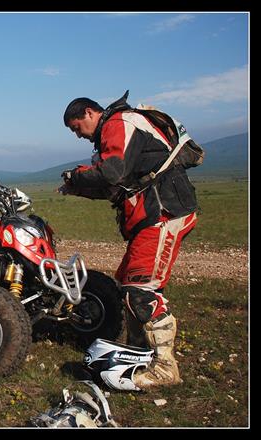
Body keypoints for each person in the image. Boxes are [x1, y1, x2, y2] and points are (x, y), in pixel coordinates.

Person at [59, 91, 199, 389]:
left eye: (76, 128)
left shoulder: (118, 123)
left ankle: (164, 367)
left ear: (88, 113)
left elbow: (112, 172)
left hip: (162, 213)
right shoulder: (116, 131)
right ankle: (140, 353)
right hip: (152, 215)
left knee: (140, 289)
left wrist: (77, 175)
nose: (78, 135)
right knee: (128, 284)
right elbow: (117, 186)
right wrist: (77, 186)